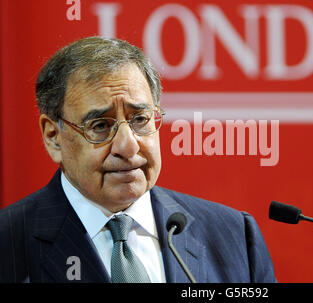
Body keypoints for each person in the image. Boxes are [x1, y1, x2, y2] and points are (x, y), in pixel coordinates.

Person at [0, 37, 276, 283]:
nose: (128, 145)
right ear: (53, 137)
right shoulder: (9, 243)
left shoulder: (233, 236)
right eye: (100, 125)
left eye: (140, 120)